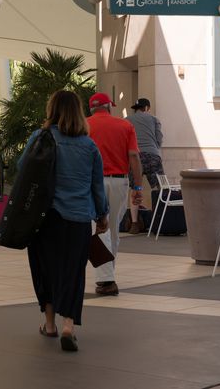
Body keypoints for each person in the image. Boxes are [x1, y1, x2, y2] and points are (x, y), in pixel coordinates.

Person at [22, 90, 109, 353]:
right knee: (72, 272)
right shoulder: (89, 145)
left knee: (45, 269)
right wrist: (102, 215)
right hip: (78, 218)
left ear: (52, 110)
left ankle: (49, 324)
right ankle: (69, 325)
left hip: (45, 218)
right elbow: (97, 186)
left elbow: (23, 166)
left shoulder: (41, 138)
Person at [88, 93, 142, 296]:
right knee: (112, 230)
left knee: (99, 228)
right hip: (119, 181)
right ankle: (108, 276)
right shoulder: (125, 126)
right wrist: (138, 188)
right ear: (109, 107)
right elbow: (134, 156)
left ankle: (106, 278)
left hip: (93, 183)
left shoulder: (84, 126)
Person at [126, 97, 163, 233]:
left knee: (135, 189)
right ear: (147, 108)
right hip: (152, 155)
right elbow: (159, 140)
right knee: (159, 188)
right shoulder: (154, 119)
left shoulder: (127, 121)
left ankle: (134, 223)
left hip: (134, 157)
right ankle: (159, 221)